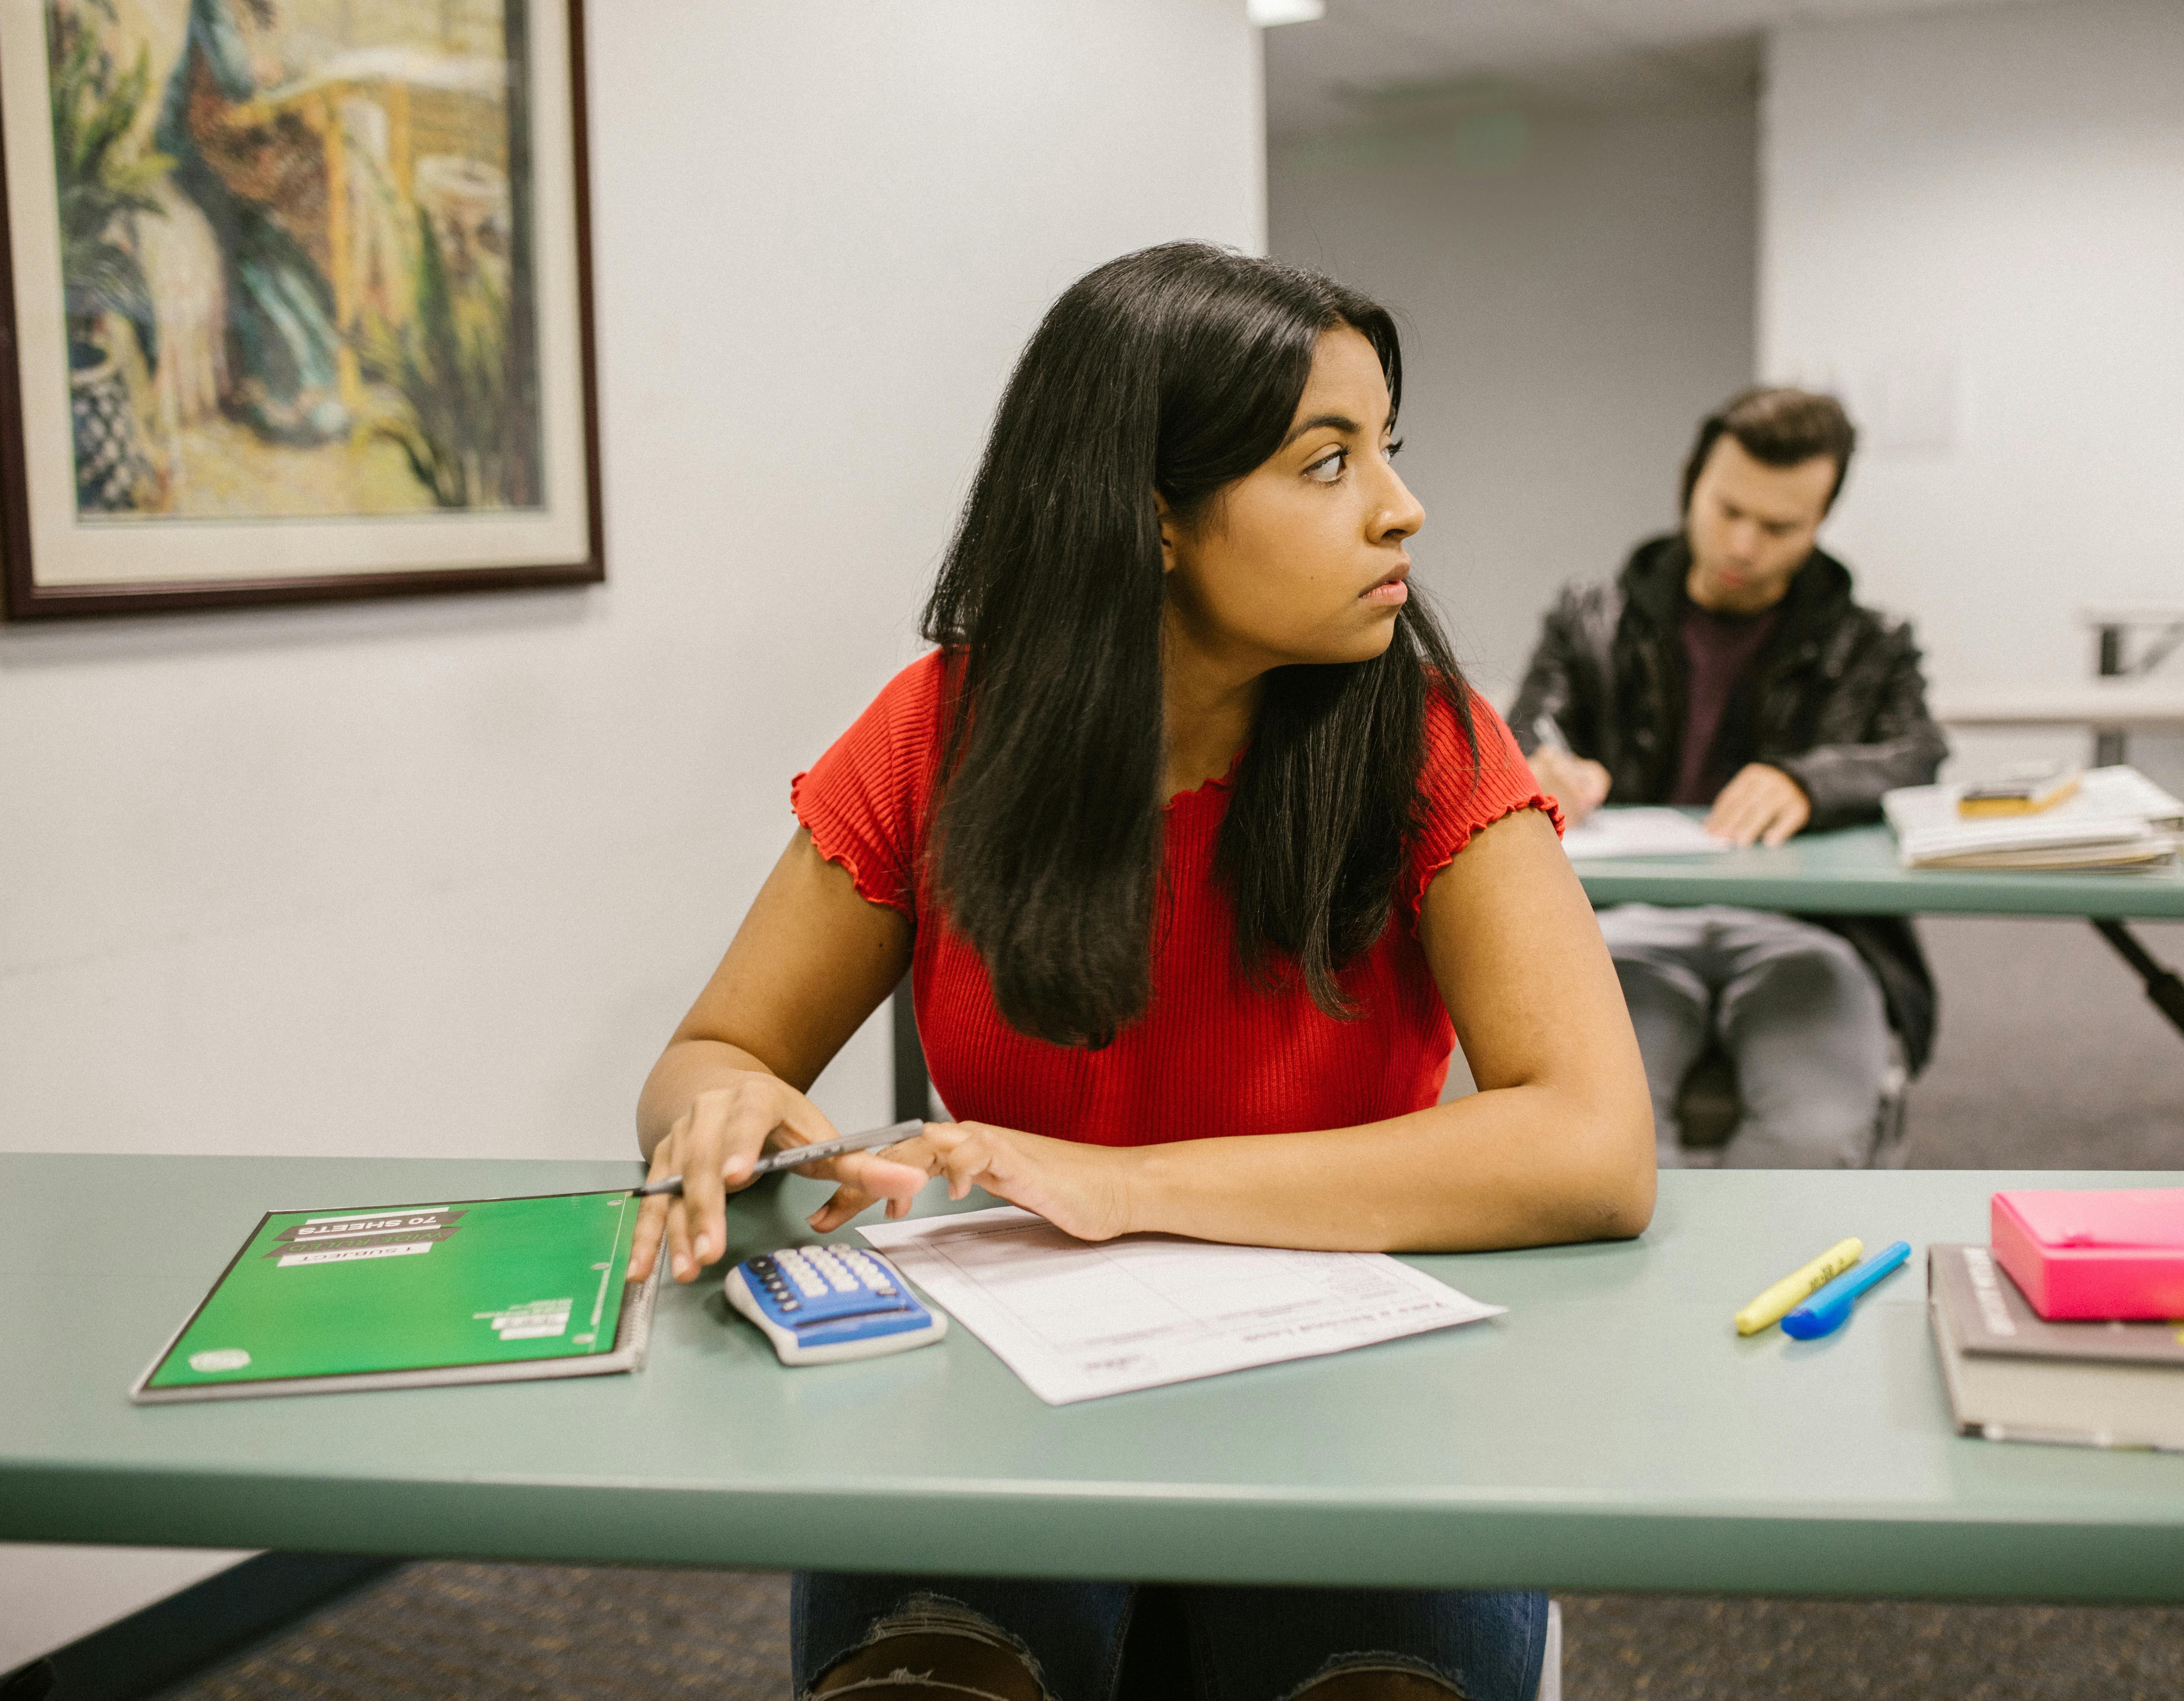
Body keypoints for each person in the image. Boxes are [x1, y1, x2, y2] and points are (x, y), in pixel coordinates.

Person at [626, 244, 1655, 1701]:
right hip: (998, 1378)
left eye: (1388, 450)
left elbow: (1594, 1145)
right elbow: (718, 1049)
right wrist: (717, 1109)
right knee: (926, 1682)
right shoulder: (938, 735)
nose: (1402, 506)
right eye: (1327, 462)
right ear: (1155, 520)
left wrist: (1129, 1187)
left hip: (1356, 1367)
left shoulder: (1428, 737)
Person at [1507, 388, 1946, 1170]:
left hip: (1811, 927)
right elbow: (1525, 728)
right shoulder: (1591, 618)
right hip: (1618, 924)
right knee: (1604, 1143)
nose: (1744, 543)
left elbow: (1917, 751)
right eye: (1727, 509)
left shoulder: (1868, 642)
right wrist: (1546, 766)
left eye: (1780, 527)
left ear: (1821, 521)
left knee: (1815, 1138)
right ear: (1691, 485)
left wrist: (1813, 781)